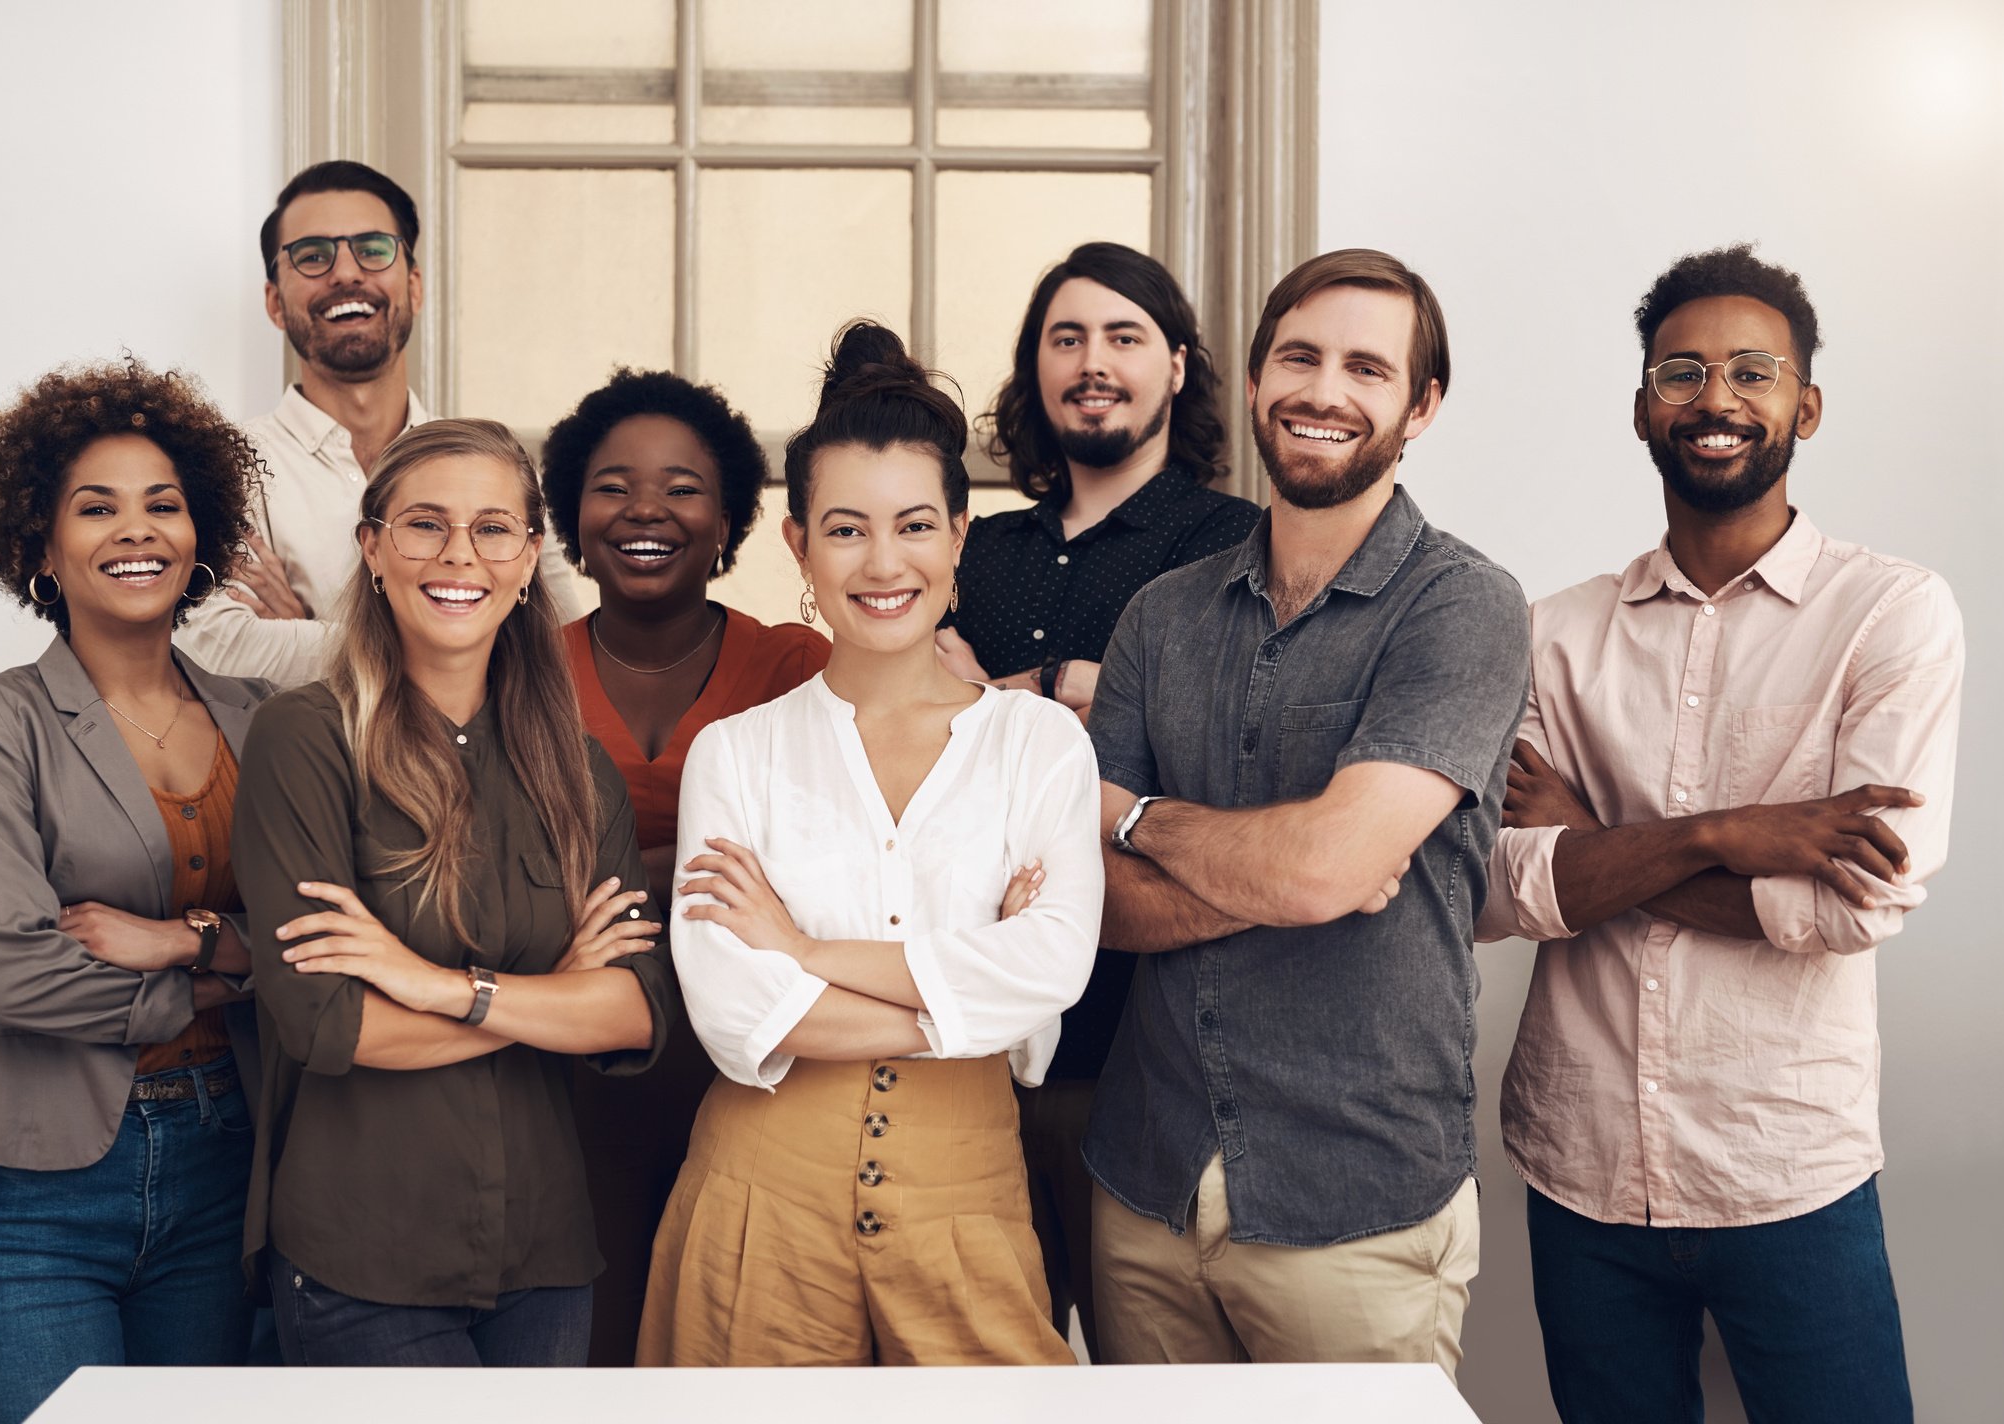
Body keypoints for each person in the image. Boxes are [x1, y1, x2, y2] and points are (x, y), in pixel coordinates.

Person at [1481, 244, 1960, 1424]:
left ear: (1806, 403)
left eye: (1754, 371)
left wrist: (1596, 847)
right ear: (1643, 406)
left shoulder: (1891, 614)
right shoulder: (1552, 633)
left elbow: (1855, 905)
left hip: (1787, 1168)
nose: (1717, 399)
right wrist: (1743, 832)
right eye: (1682, 371)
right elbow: (1494, 889)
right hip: (1581, 1168)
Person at [1084, 249, 1528, 1377]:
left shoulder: (1464, 604)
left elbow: (1325, 870)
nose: (1325, 391)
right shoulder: (1160, 615)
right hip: (1148, 1185)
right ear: (1253, 377)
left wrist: (1137, 818)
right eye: (1301, 356)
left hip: (1357, 1200)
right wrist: (1295, 874)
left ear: (1419, 407)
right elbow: (1085, 903)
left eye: (1367, 367)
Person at [635, 323, 1102, 1367]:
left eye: (915, 525)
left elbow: (1052, 967)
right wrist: (967, 995)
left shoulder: (1041, 745)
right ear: (797, 544)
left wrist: (802, 952)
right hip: (756, 1208)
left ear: (961, 534)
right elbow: (729, 1008)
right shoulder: (737, 752)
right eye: (846, 529)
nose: (883, 563)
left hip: (970, 1205)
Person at [230, 418, 677, 1367]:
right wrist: (551, 991)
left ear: (527, 560)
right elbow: (330, 1025)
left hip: (545, 1248)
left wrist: (436, 985)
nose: (458, 555)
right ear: (373, 547)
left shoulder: (578, 770)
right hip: (363, 1255)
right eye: (424, 524)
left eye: (493, 529)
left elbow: (637, 1013)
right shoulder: (304, 739)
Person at [0, 358, 271, 1424]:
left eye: (163, 505)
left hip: (231, 1163)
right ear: (40, 545)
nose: (138, 531)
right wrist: (226, 969)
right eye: (98, 507)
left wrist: (176, 940)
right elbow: (12, 969)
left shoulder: (265, 717)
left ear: (199, 532)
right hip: (42, 1180)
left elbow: (311, 939)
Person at [934, 242, 1257, 1357]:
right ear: (1035, 370)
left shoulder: (1232, 545)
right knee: (976, 1365)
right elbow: (917, 733)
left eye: (1123, 337)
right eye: (1065, 338)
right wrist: (1076, 697)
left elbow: (1221, 754)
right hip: (967, 1042)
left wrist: (1027, 691)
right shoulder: (973, 547)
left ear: (1176, 365)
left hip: (1151, 1059)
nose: (1093, 362)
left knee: (1143, 1378)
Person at [537, 369, 830, 1365]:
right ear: (574, 514)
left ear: (729, 521)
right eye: (613, 484)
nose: (646, 507)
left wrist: (609, 878)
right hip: (572, 1069)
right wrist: (708, 866)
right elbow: (505, 877)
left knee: (736, 1344)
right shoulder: (515, 672)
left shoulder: (796, 666)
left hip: (758, 1068)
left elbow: (814, 871)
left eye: (682, 486)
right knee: (598, 1336)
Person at [177, 160, 580, 684]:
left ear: (413, 286)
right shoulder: (222, 469)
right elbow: (214, 647)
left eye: (372, 249)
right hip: (296, 765)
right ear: (275, 302)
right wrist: (455, 640)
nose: (346, 273)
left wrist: (308, 630)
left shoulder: (496, 468)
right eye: (313, 256)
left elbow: (558, 648)